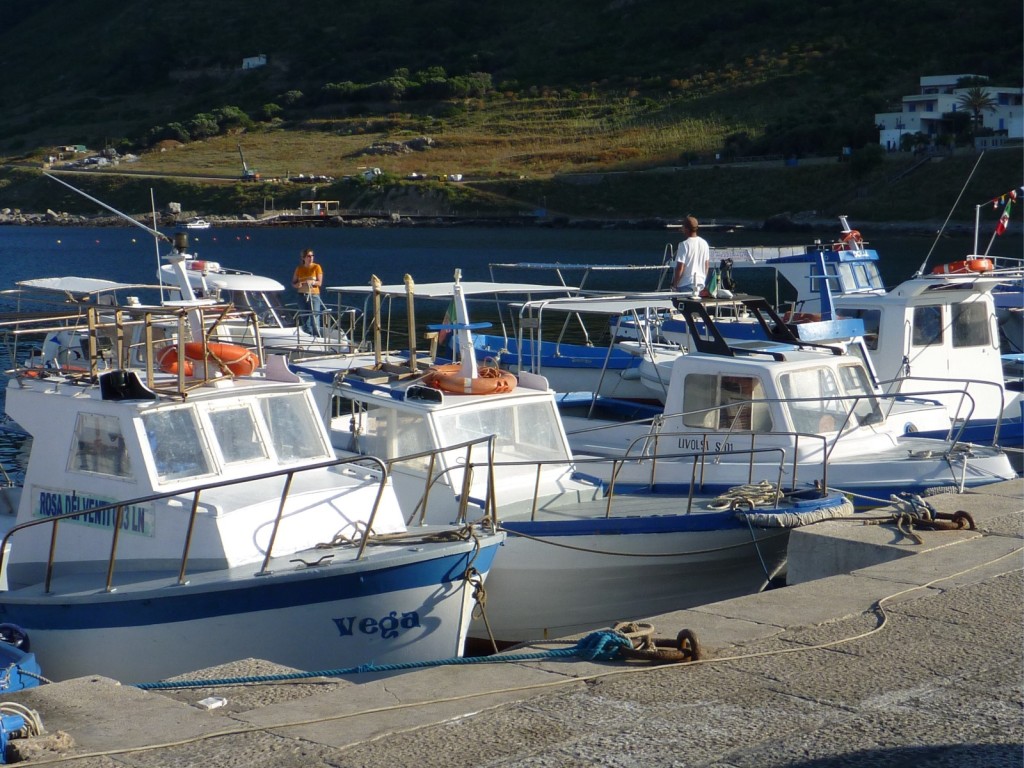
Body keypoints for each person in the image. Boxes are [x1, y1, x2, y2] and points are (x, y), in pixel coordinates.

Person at [671, 215, 711, 296]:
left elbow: (680, 267)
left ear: (686, 229)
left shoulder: (684, 244)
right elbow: (706, 266)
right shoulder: (704, 243)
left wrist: (674, 285)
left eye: (683, 227)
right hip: (700, 284)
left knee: (683, 304)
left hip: (686, 284)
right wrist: (703, 279)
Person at [292, 248, 324, 337]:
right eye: (308, 256)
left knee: (315, 318)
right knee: (305, 319)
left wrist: (312, 282)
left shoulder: (317, 267)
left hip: (313, 295)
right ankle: (308, 337)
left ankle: (317, 337)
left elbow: (319, 283)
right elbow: (293, 283)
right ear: (303, 258)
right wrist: (297, 285)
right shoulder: (299, 268)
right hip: (301, 296)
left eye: (312, 256)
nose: (311, 258)